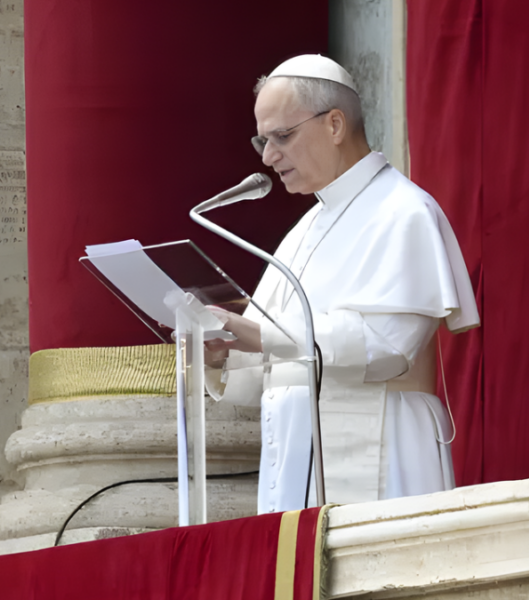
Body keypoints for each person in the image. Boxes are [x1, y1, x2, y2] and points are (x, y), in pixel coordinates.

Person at [203, 55, 479, 514]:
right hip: (294, 467)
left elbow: (387, 345)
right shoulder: (304, 229)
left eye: (282, 136)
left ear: (334, 124)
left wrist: (259, 334)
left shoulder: (404, 211)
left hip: (383, 450)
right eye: (263, 141)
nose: (268, 157)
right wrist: (220, 352)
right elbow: (265, 373)